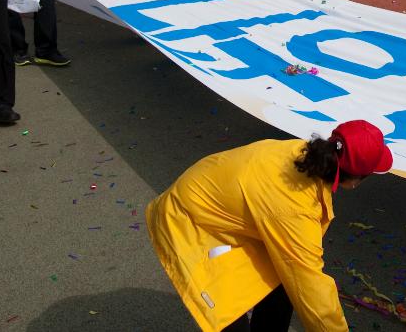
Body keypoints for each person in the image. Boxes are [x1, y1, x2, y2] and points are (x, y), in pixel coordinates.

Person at [147, 121, 393, 332]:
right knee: (229, 311)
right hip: (189, 222)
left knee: (284, 281)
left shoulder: (302, 152)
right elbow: (312, 288)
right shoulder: (295, 208)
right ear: (354, 179)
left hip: (223, 211)